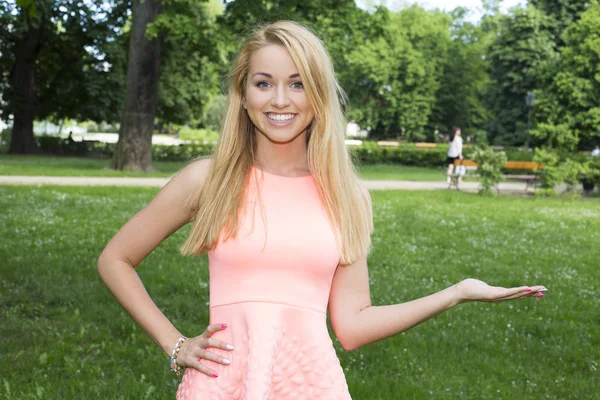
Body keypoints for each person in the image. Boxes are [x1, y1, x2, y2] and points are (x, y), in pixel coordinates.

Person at [97, 21, 547, 399]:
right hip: (223, 383)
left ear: (317, 95)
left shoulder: (347, 196)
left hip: (309, 385)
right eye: (263, 83)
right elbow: (115, 259)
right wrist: (175, 344)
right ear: (243, 93)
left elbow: (352, 326)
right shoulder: (207, 179)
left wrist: (457, 293)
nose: (279, 100)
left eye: (297, 84)